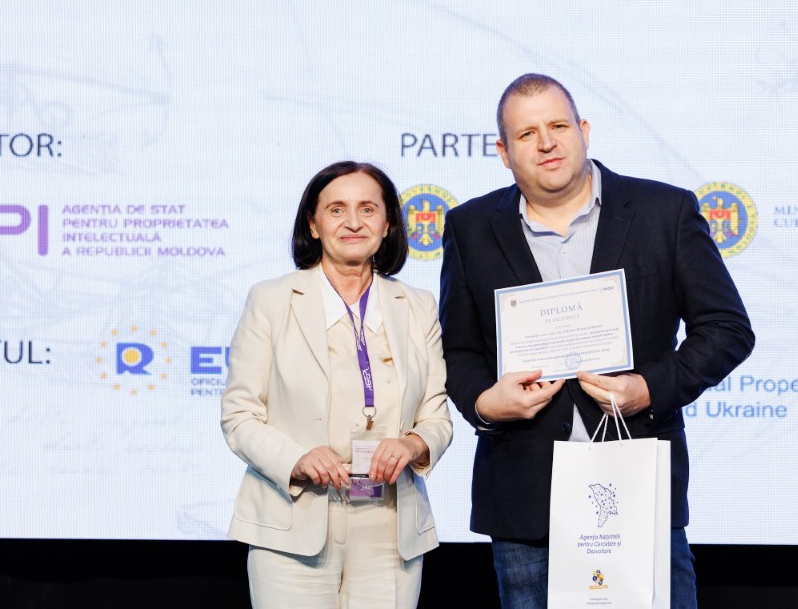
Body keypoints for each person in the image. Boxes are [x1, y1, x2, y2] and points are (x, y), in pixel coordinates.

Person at [439, 73, 755, 608]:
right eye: (527, 133)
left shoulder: (665, 212)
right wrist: (485, 403)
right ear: (503, 152)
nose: (546, 142)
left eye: (559, 126)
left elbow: (727, 328)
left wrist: (648, 388)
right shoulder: (469, 227)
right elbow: (458, 349)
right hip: (523, 495)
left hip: (637, 487)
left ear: (583, 130)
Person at [221, 161, 453, 608]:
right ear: (313, 224)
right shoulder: (271, 300)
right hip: (294, 521)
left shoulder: (417, 305)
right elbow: (239, 415)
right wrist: (297, 458)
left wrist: (412, 445)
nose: (353, 222)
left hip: (390, 527)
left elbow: (436, 417)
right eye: (336, 209)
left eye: (367, 209)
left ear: (388, 224)